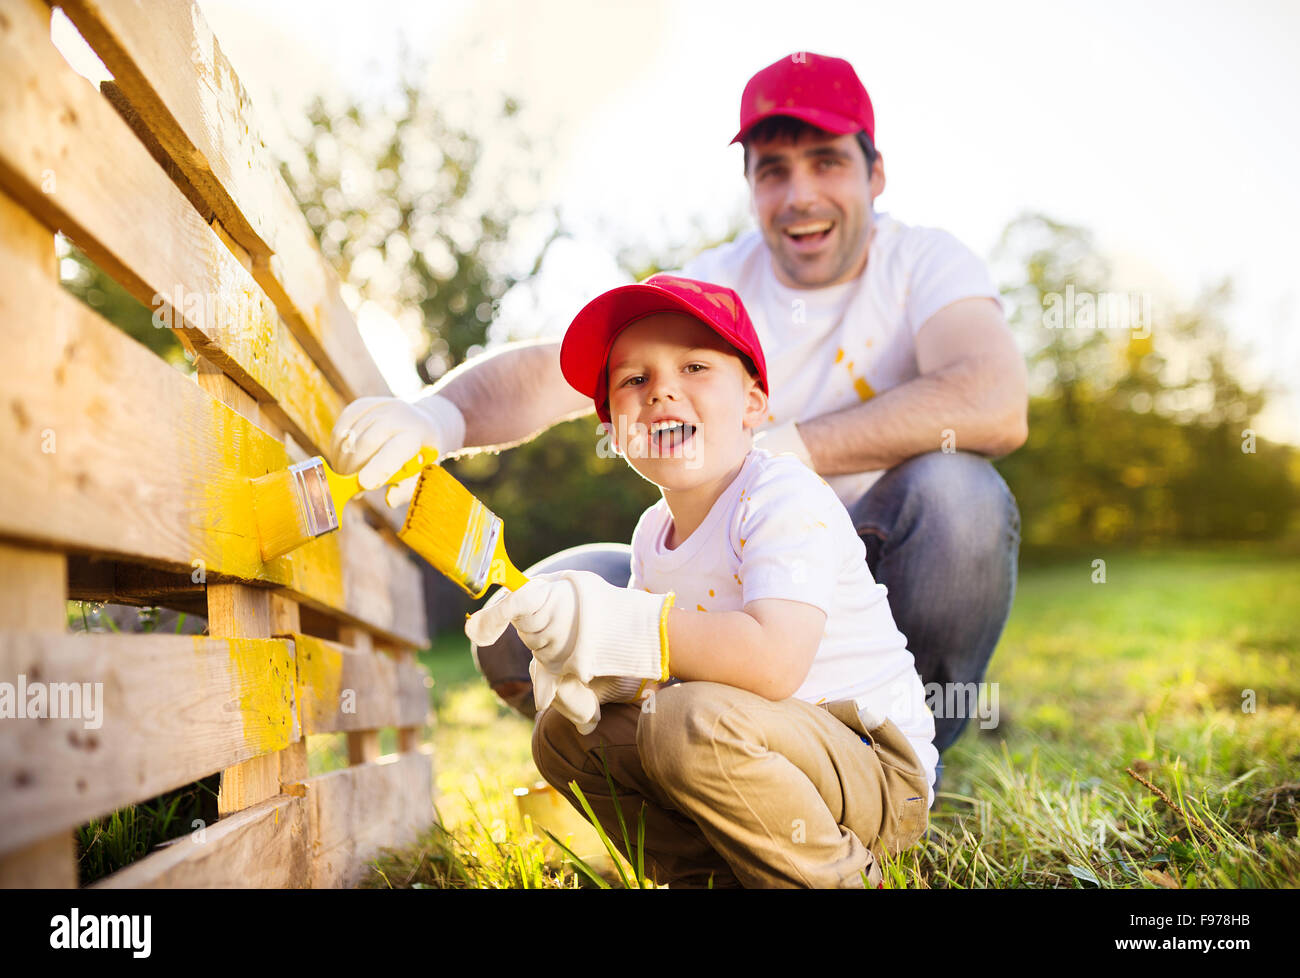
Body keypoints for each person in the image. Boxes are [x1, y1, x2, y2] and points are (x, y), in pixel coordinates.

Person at [329, 51, 1027, 783]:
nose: (800, 195)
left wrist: (794, 448)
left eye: (826, 163)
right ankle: (679, 779)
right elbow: (552, 366)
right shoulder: (720, 284)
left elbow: (991, 398)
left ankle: (912, 758)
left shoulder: (923, 263)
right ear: (751, 185)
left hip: (874, 560)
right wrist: (438, 416)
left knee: (961, 497)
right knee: (521, 626)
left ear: (873, 174)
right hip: (729, 564)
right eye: (773, 171)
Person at [463, 274, 935, 887]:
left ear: (753, 403)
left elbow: (772, 664)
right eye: (634, 380)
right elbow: (650, 675)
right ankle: (708, 878)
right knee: (565, 735)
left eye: (694, 367)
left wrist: (621, 624)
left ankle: (840, 877)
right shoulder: (650, 532)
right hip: (755, 758)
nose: (661, 391)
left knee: (688, 720)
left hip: (874, 774)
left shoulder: (779, 494)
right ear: (612, 428)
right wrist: (584, 659)